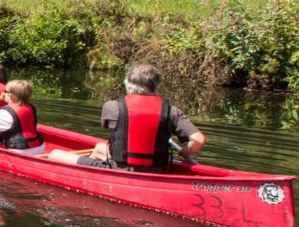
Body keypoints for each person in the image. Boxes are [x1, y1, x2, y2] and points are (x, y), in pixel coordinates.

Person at [46, 63, 205, 170]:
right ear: (156, 85)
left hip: (122, 170)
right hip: (158, 169)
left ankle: (92, 172)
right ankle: (91, 164)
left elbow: (114, 129)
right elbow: (199, 140)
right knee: (99, 148)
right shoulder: (171, 111)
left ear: (127, 83)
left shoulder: (112, 107)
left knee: (54, 154)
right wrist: (185, 151)